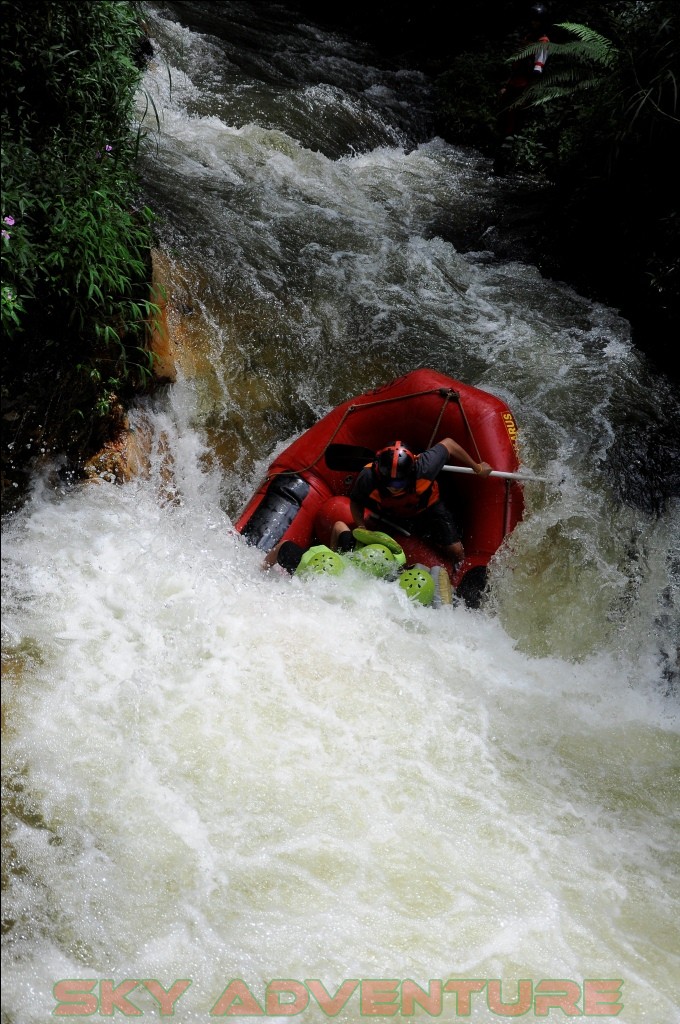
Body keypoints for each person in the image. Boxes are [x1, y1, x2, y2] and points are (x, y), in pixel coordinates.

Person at [349, 438, 492, 565]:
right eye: (389, 483)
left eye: (399, 484)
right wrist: (361, 526)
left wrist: (477, 467)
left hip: (429, 507)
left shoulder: (425, 466)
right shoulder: (368, 476)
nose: (393, 488)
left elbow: (449, 444)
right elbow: (356, 501)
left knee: (456, 551)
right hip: (392, 513)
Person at [494, 3, 550, 175]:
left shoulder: (543, 42)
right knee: (503, 121)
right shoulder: (528, 38)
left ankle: (504, 165)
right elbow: (517, 65)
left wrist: (528, 92)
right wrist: (506, 85)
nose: (534, 23)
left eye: (537, 21)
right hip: (514, 84)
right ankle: (500, 162)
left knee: (512, 126)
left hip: (524, 87)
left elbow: (538, 69)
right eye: (532, 20)